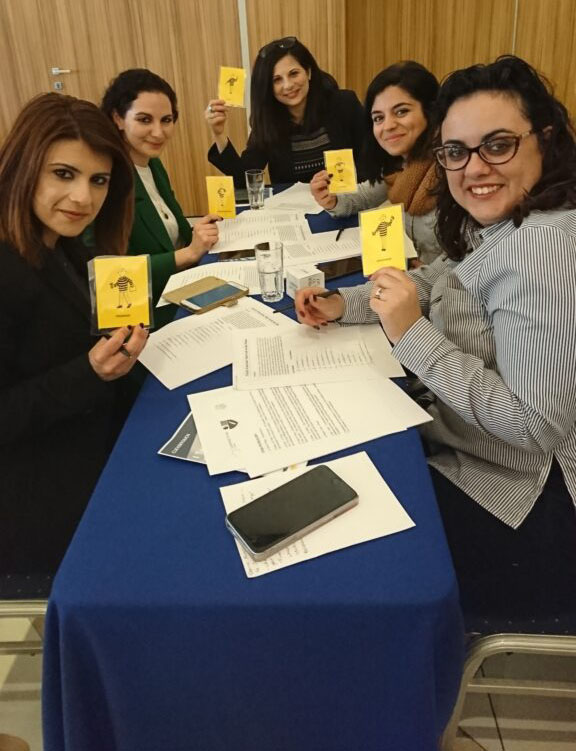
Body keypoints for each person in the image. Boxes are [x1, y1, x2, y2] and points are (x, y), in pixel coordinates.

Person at [296, 56, 576, 618]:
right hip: (480, 458)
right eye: (456, 152)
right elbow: (435, 281)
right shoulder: (504, 220)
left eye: (498, 145)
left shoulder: (541, 249)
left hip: (523, 501)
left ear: (544, 141)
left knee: (341, 548)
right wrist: (344, 304)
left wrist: (413, 336)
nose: (474, 168)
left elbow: (537, 426)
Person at [0, 93, 148, 574]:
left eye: (98, 180)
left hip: (102, 446)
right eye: (63, 174)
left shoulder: (68, 249)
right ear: (23, 167)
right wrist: (89, 372)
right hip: (42, 499)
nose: (83, 197)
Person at [101, 69, 220, 310]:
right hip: (147, 308)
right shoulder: (105, 179)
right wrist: (189, 253)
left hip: (181, 285)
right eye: (144, 120)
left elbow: (171, 232)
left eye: (166, 120)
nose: (158, 132)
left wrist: (199, 233)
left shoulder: (152, 164)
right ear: (118, 118)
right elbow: (107, 273)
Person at [311, 61, 442, 265]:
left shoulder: (452, 169)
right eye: (378, 118)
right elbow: (366, 195)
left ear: (430, 111)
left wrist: (428, 276)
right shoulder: (400, 166)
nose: (388, 126)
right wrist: (333, 200)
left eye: (401, 112)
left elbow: (475, 257)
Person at [205, 37, 365, 186]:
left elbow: (370, 158)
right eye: (277, 80)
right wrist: (219, 134)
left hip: (346, 201)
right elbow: (245, 181)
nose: (287, 85)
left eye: (294, 74)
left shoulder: (344, 104)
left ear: (308, 72)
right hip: (294, 207)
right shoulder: (268, 121)